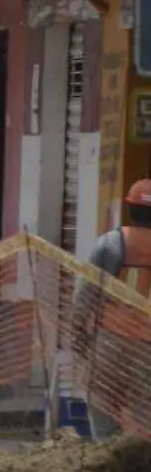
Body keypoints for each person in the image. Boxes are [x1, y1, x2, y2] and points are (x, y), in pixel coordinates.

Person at [82, 179, 151, 437]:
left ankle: (108, 463)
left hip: (109, 343)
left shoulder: (110, 244)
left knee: (103, 410)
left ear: (129, 208)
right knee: (146, 420)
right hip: (147, 352)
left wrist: (79, 339)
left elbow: (84, 296)